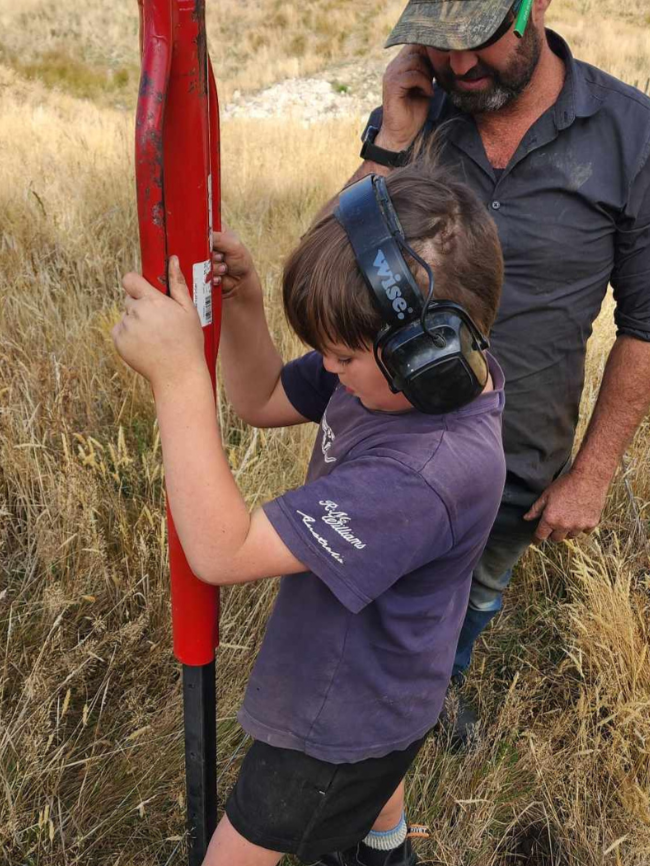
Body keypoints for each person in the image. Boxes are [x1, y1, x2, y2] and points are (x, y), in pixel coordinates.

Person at [111, 158, 506, 866]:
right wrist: (245, 305)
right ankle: (385, 850)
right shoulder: (405, 377)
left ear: (429, 353)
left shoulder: (424, 473)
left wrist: (176, 378)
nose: (328, 371)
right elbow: (261, 398)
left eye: (343, 356)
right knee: (381, 779)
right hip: (389, 682)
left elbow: (222, 551)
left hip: (338, 722)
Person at [348, 0, 650, 723]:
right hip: (391, 442)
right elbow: (338, 266)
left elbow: (643, 326)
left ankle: (435, 696)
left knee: (476, 591)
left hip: (515, 455)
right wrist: (392, 139)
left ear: (536, 6)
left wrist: (594, 471)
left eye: (478, 38)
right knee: (374, 610)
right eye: (439, 43)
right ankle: (379, 737)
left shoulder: (630, 133)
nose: (458, 66)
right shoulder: (420, 114)